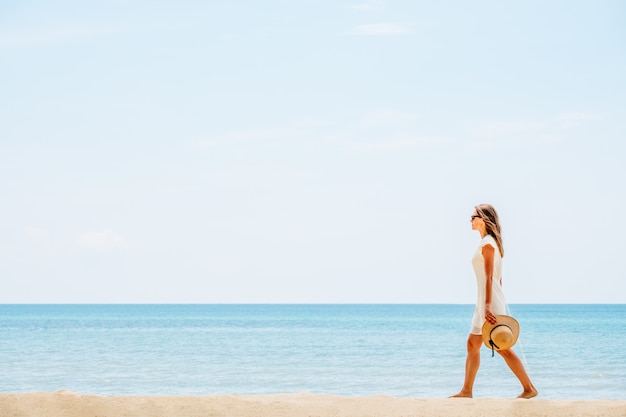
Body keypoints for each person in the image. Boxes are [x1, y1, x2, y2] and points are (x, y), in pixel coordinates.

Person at [451, 204, 538, 399]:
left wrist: (489, 306)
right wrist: (485, 303)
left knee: (502, 348)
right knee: (472, 345)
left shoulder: (488, 244)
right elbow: (499, 279)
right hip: (484, 301)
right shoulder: (488, 243)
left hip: (489, 303)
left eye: (473, 216)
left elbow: (491, 278)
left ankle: (529, 388)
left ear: (483, 219)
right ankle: (466, 391)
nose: (470, 220)